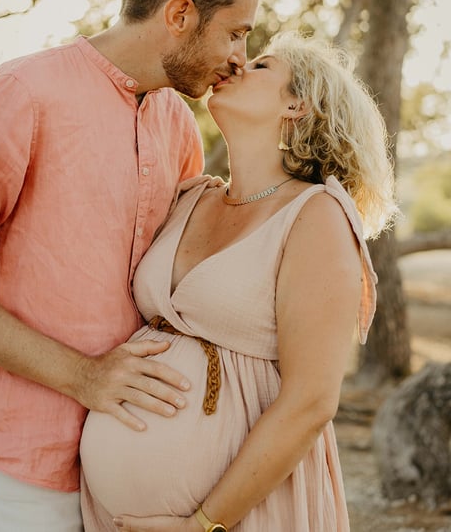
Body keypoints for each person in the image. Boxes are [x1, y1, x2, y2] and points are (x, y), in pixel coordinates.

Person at [0, 0, 281, 529]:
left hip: (123, 478)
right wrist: (84, 377)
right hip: (13, 473)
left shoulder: (178, 126)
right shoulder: (24, 92)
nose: (240, 59)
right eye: (237, 34)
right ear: (180, 13)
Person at [79, 30, 397, 532]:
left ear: (298, 106)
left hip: (239, 516)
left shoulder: (316, 215)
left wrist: (204, 525)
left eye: (263, 66)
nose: (237, 66)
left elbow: (311, 401)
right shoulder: (190, 197)